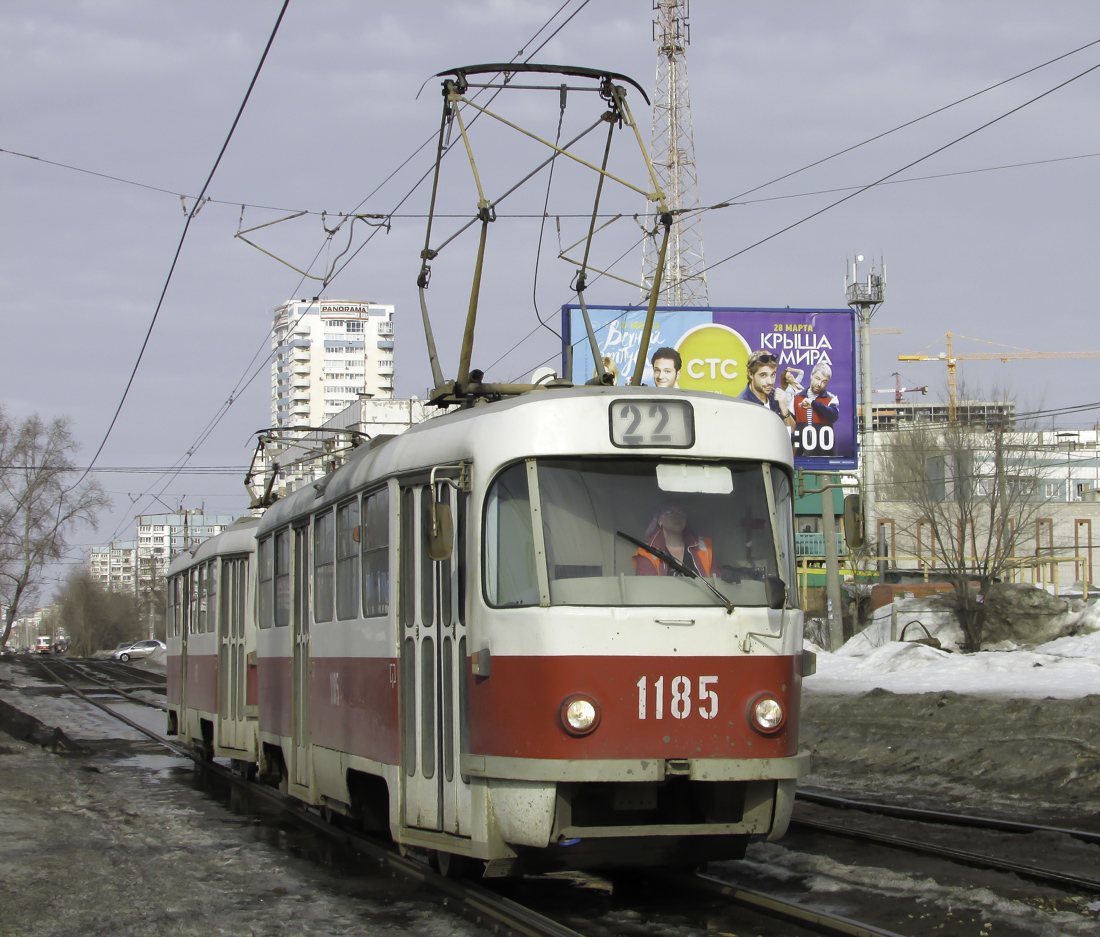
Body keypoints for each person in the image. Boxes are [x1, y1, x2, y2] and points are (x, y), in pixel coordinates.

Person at [632, 501, 716, 577]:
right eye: (669, 513)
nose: (677, 516)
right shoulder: (647, 553)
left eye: (680, 512)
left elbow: (716, 579)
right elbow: (647, 589)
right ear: (660, 520)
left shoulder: (704, 546)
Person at [792, 362, 840, 456]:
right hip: (800, 453)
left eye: (824, 381)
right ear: (811, 375)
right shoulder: (797, 397)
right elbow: (791, 424)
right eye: (817, 379)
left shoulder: (831, 398)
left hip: (823, 454)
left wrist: (813, 404)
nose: (819, 384)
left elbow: (834, 416)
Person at [738, 351, 795, 429]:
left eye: (773, 375)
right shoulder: (742, 404)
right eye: (763, 375)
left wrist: (785, 410)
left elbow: (792, 432)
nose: (770, 382)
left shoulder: (777, 397)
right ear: (751, 374)